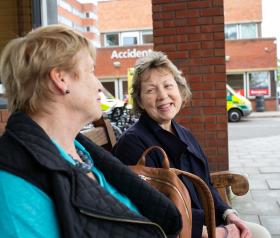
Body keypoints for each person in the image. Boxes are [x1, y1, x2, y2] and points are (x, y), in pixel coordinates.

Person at [0, 25, 182, 238]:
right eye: (91, 71)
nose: (98, 85)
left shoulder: (80, 151)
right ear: (61, 79)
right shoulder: (11, 185)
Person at [112, 51, 271, 238]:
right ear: (139, 100)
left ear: (179, 89)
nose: (163, 96)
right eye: (151, 90)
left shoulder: (184, 133)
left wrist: (229, 215)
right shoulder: (133, 145)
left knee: (259, 233)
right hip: (181, 233)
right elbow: (152, 209)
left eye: (168, 85)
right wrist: (215, 233)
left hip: (209, 223)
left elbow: (207, 183)